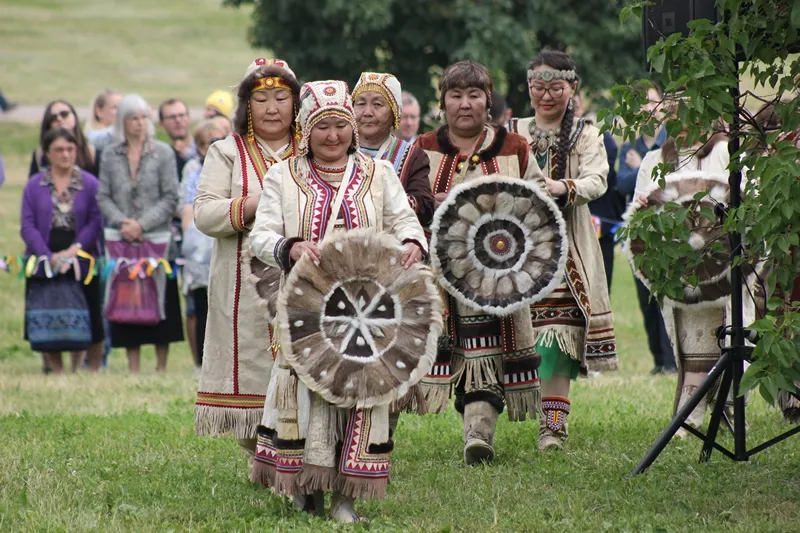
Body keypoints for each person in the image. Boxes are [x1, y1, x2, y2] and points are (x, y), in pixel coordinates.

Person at [248, 79, 427, 523]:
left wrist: (412, 243)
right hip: (307, 307)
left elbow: (405, 219)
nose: (333, 136)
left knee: (361, 390)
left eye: (341, 126)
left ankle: (345, 498)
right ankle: (304, 486)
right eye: (322, 127)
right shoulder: (283, 176)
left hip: (367, 308)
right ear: (306, 129)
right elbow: (260, 236)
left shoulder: (379, 174)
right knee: (306, 389)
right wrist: (290, 246)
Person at [415, 61, 544, 464]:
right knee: (442, 346)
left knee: (485, 347)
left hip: (496, 274)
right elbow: (402, 202)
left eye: (474, 95)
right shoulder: (422, 148)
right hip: (434, 273)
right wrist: (429, 203)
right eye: (455, 95)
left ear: (488, 102)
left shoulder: (513, 148)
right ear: (442, 103)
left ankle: (479, 430)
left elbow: (539, 200)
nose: (465, 104)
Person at [508, 50, 618, 451]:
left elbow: (598, 180)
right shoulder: (512, 131)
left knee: (558, 339)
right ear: (528, 87)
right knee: (519, 335)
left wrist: (562, 187)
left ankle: (552, 427)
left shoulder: (586, 133)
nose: (547, 95)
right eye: (539, 87)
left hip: (566, 252)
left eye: (556, 87)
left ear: (572, 88)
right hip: (513, 251)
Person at [193, 59, 300, 464]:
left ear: (296, 103)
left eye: (281, 97)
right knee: (250, 374)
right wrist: (258, 203)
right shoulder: (226, 152)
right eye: (261, 98)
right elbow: (205, 213)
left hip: (304, 280)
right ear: (246, 105)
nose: (272, 108)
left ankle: (299, 449)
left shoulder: (314, 149)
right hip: (243, 288)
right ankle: (262, 452)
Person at [633, 109, 732, 434]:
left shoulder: (725, 152)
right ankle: (693, 410)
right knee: (690, 336)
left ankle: (725, 403)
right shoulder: (655, 159)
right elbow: (639, 208)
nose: (684, 122)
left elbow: (747, 199)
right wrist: (644, 208)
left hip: (723, 261)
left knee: (728, 329)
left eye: (692, 112)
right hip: (676, 263)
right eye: (675, 114)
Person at [97, 94, 183, 373]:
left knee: (161, 297)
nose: (139, 123)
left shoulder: (163, 153)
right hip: (122, 239)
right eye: (133, 118)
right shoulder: (110, 154)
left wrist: (141, 225)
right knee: (127, 297)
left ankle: (161, 367)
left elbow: (171, 197)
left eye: (143, 117)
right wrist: (123, 222)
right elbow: (103, 195)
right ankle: (132, 367)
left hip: (156, 238)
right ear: (122, 121)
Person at [21, 128, 105, 372]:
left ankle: (82, 368)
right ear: (47, 153)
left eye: (70, 149)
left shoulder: (89, 183)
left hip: (82, 259)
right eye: (59, 150)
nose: (65, 154)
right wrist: (47, 256)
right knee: (46, 310)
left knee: (90, 312)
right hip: (44, 258)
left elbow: (96, 221)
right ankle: (55, 369)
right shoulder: (34, 185)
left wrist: (74, 250)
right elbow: (27, 225)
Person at [616, 83, 675, 374]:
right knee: (645, 298)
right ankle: (657, 361)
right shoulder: (629, 146)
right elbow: (620, 184)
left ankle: (671, 361)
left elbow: (667, 183)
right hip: (638, 233)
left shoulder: (671, 143)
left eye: (651, 101)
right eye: (639, 103)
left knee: (666, 295)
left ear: (663, 105)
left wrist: (640, 166)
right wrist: (643, 167)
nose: (646, 109)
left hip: (667, 231)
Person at [352, 72, 434, 226]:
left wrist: (381, 202)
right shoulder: (339, 151)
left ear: (395, 112)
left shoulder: (413, 156)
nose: (367, 112)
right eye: (361, 104)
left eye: (378, 104)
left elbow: (425, 206)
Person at [181, 119, 228, 369]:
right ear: (200, 148)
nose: (220, 145)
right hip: (201, 250)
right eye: (213, 142)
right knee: (201, 308)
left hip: (227, 242)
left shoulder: (235, 169)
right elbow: (188, 217)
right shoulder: (194, 176)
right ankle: (202, 364)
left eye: (224, 139)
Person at [572, 93, 623, 295]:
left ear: (582, 107)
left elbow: (602, 182)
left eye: (574, 104)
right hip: (566, 224)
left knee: (599, 287)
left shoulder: (600, 137)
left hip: (599, 222)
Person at [30, 101, 97, 178]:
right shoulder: (40, 155)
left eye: (64, 114)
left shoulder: (91, 152)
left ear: (74, 117)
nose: (59, 119)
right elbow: (32, 183)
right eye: (53, 118)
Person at [158, 98, 195, 176]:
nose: (178, 120)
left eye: (181, 115)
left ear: (189, 118)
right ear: (161, 124)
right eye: (172, 117)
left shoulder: (205, 147)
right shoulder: (163, 156)